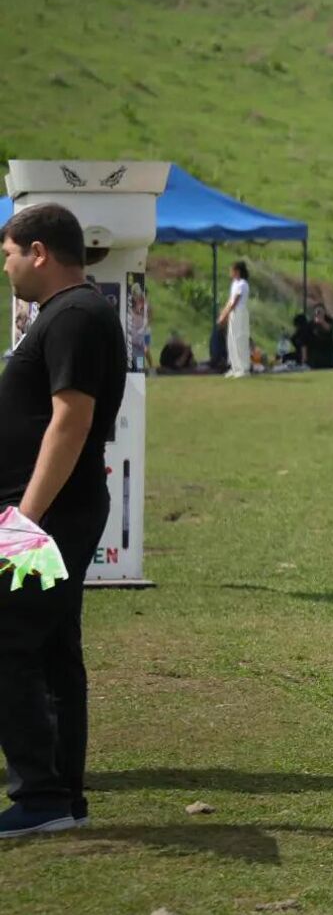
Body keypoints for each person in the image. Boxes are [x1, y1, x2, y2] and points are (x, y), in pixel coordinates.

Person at [0, 204, 128, 837]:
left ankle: (42, 795)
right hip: (55, 511)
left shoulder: (75, 315)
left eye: (9, 253)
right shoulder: (67, 314)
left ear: (40, 252)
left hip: (49, 513)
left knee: (11, 641)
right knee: (49, 647)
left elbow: (70, 419)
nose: (7, 265)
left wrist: (25, 517)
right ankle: (60, 798)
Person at [216, 260, 251, 378]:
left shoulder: (242, 284)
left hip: (240, 313)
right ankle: (235, 367)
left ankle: (244, 368)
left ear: (238, 271)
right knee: (231, 340)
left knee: (240, 339)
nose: (230, 272)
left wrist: (225, 315)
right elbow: (230, 301)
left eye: (232, 270)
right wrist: (223, 314)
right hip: (233, 314)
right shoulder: (234, 283)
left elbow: (235, 302)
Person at [306, 305, 333, 371]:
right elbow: (306, 339)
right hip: (316, 353)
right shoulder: (311, 323)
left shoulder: (330, 320)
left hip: (329, 353)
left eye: (320, 311)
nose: (319, 313)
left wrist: (322, 321)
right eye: (317, 311)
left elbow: (330, 330)